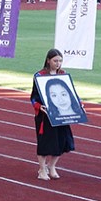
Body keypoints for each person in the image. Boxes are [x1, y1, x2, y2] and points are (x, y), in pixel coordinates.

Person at [30, 49, 75, 180]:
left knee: (62, 142)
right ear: (48, 60)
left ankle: (52, 166)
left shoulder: (63, 74)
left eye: (60, 61)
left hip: (61, 114)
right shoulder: (39, 75)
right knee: (45, 144)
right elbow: (33, 97)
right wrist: (39, 106)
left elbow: (70, 93)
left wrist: (77, 104)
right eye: (55, 61)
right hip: (45, 116)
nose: (58, 63)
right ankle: (42, 169)